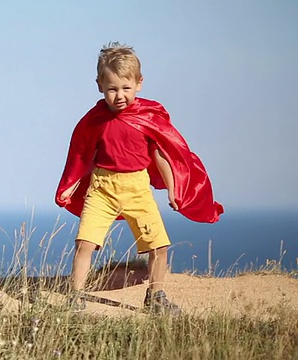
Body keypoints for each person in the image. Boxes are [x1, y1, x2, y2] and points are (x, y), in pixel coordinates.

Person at [55, 42, 224, 314]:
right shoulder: (94, 120)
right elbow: (81, 156)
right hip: (102, 190)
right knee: (84, 243)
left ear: (139, 83)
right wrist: (69, 186)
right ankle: (75, 296)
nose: (119, 95)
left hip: (137, 189)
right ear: (99, 85)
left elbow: (161, 156)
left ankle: (156, 296)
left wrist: (173, 190)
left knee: (159, 246)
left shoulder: (147, 117)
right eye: (112, 89)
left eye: (125, 88)